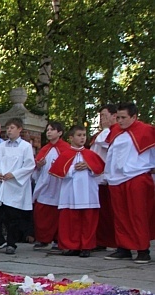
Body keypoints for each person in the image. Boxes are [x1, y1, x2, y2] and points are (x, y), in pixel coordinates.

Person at [103, 102, 155, 264]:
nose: (119, 121)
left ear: (134, 117)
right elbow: (111, 155)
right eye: (118, 117)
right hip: (117, 178)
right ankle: (123, 248)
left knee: (138, 214)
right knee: (120, 215)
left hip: (137, 176)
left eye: (123, 117)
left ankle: (142, 250)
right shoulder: (116, 132)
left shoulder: (146, 130)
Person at [50, 126, 105, 257]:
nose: (82, 138)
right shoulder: (65, 155)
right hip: (70, 194)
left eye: (84, 135)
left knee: (88, 221)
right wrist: (73, 168)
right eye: (79, 135)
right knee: (71, 221)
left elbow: (99, 170)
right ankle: (72, 246)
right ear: (71, 138)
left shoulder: (91, 155)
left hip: (88, 192)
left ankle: (86, 246)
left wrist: (89, 165)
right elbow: (59, 172)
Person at [0, 118, 35, 255]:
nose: (10, 130)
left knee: (12, 217)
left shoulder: (25, 147)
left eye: (12, 127)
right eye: (8, 128)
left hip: (14, 186)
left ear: (19, 129)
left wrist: (14, 174)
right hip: (1, 185)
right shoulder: (1, 147)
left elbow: (29, 165)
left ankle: (11, 243)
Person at [32, 122, 68, 251]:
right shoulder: (44, 149)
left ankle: (58, 240)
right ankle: (43, 239)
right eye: (47, 130)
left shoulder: (66, 148)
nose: (49, 132)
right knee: (42, 211)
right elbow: (36, 168)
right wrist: (39, 165)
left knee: (58, 213)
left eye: (52, 130)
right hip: (45, 184)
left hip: (59, 185)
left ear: (59, 133)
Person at [89, 104, 117, 250]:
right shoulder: (100, 134)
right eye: (100, 117)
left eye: (104, 116)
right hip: (97, 178)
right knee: (99, 212)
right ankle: (100, 240)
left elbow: (105, 144)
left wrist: (107, 128)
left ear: (114, 116)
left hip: (108, 178)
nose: (102, 120)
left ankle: (111, 241)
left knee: (109, 213)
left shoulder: (113, 133)